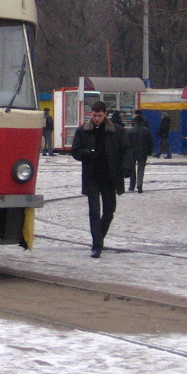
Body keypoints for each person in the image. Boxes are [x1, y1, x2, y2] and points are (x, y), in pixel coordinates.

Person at [71, 101, 127, 258]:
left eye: (100, 116)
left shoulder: (117, 131)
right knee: (94, 211)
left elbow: (125, 150)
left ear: (105, 115)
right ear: (91, 114)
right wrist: (88, 153)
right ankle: (97, 245)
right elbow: (75, 151)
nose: (96, 119)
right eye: (94, 115)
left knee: (109, 211)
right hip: (92, 177)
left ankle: (99, 237)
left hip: (110, 177)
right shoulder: (83, 131)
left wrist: (126, 168)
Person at [126, 115, 155, 192]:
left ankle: (132, 186)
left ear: (134, 122)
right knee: (141, 169)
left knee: (132, 169)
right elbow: (150, 143)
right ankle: (139, 185)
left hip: (132, 153)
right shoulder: (146, 131)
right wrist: (149, 152)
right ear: (142, 122)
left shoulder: (129, 131)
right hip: (143, 152)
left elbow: (126, 143)